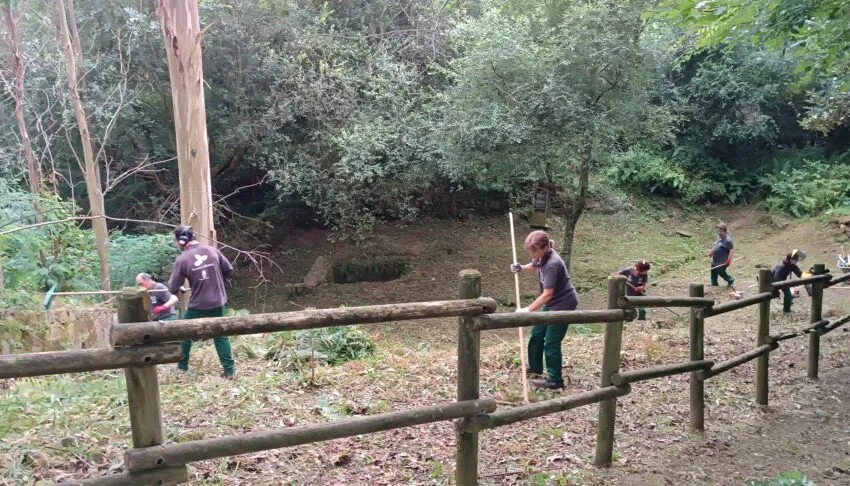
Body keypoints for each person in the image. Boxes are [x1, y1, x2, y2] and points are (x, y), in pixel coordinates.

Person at [510, 230, 579, 390]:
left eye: (534, 251)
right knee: (537, 334)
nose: (532, 254)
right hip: (553, 301)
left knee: (551, 341)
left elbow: (547, 295)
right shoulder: (543, 257)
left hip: (564, 303)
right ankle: (535, 368)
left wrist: (528, 310)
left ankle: (555, 380)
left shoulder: (553, 263)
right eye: (530, 251)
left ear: (546, 247)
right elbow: (535, 265)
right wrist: (520, 268)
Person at [167, 225, 236, 379]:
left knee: (185, 333)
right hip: (219, 301)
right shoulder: (212, 250)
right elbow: (228, 269)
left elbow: (172, 287)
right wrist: (217, 284)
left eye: (176, 241)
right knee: (220, 335)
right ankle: (230, 371)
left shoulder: (182, 259)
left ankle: (182, 367)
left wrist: (180, 290)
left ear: (181, 240)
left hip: (199, 304)